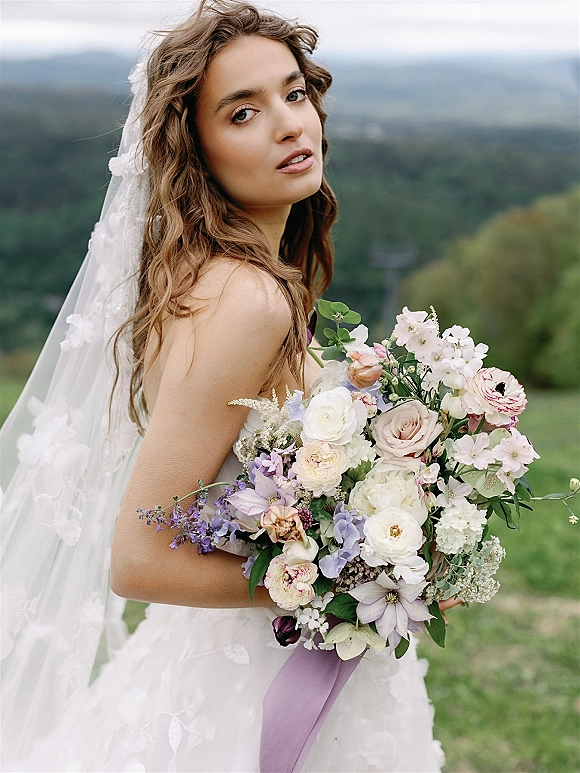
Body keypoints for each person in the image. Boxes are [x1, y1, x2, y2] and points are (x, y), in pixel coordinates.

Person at [0, 2, 447, 770]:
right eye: (244, 112)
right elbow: (139, 559)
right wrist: (350, 580)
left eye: (294, 93)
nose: (288, 124)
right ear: (196, 151)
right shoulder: (246, 299)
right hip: (254, 689)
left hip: (251, 660)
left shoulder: (223, 278)